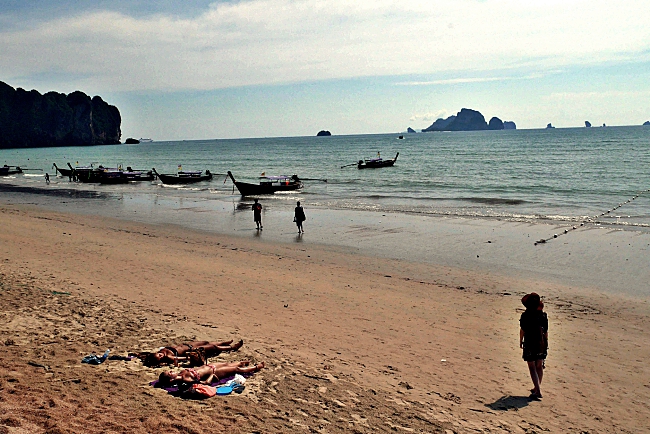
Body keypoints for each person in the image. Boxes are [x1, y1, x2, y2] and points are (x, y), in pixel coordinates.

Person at [519, 293, 548, 399]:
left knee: (532, 367)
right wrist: (545, 343)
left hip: (530, 342)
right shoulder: (543, 315)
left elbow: (523, 330)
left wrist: (520, 340)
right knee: (539, 365)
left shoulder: (525, 315)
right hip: (541, 342)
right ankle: (537, 387)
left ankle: (538, 390)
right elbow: (546, 332)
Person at [133, 339, 243, 367]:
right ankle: (231, 347)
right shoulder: (169, 357)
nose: (161, 355)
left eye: (159, 354)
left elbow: (144, 354)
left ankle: (225, 342)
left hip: (188, 345)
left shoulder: (159, 352)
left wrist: (136, 355)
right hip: (191, 349)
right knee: (213, 348)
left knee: (207, 342)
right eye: (160, 357)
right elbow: (184, 359)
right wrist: (190, 354)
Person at [157, 360, 265, 387]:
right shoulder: (186, 380)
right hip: (214, 371)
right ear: (171, 379)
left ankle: (243, 363)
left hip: (209, 366)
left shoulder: (181, 372)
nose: (172, 371)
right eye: (170, 373)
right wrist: (212, 375)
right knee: (236, 369)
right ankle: (256, 367)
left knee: (229, 364)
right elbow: (205, 383)